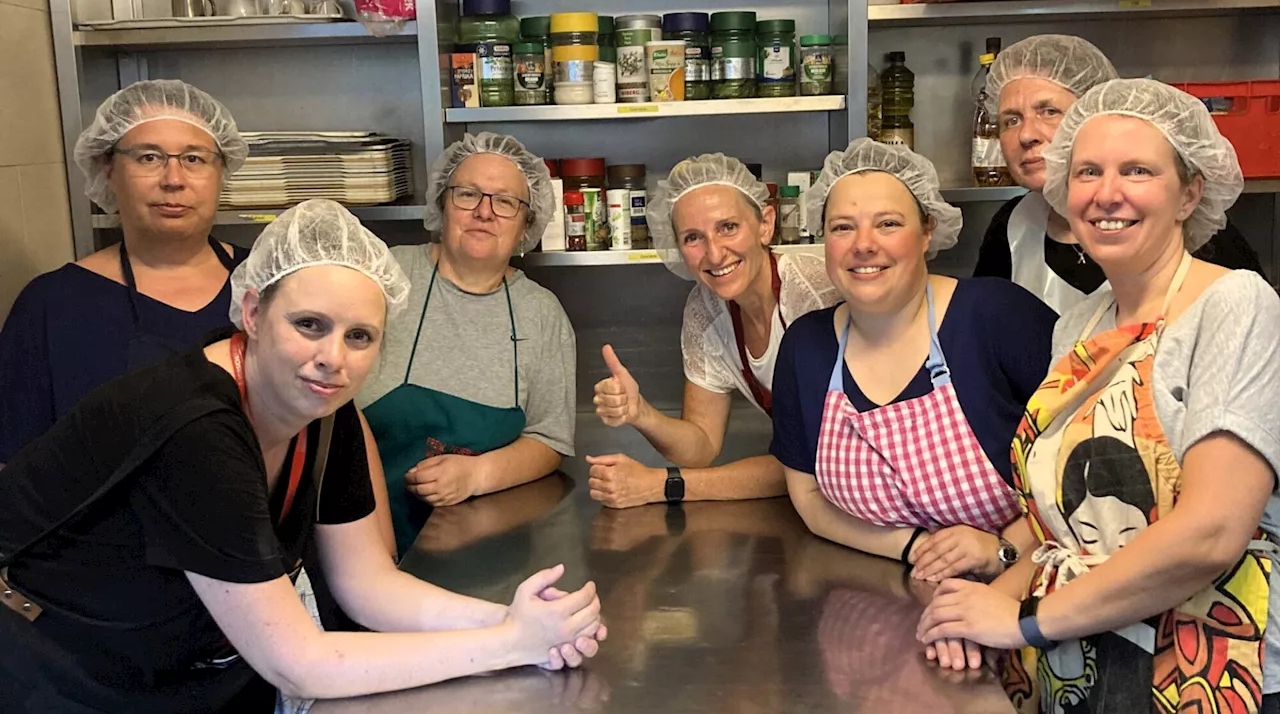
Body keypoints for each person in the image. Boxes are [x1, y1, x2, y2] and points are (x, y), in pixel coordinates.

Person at [0, 199, 606, 713]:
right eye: (310, 324)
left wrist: (517, 622)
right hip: (58, 663)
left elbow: (366, 584)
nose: (333, 358)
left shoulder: (323, 413)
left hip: (178, 660)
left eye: (359, 336)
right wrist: (510, 647)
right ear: (253, 313)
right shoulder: (195, 424)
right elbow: (300, 664)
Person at [916, 79, 1280, 712]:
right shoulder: (1078, 325)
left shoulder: (1234, 305)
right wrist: (970, 612)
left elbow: (1213, 532)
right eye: (1087, 171)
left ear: (1189, 191)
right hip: (1085, 653)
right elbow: (1059, 525)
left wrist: (1021, 622)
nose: (1106, 194)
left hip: (1213, 666)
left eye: (1136, 170)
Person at [771, 139, 1058, 585]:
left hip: (1029, 588)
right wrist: (917, 547)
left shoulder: (995, 316)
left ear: (927, 232)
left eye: (888, 224)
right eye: (842, 227)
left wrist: (1003, 548)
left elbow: (1086, 464)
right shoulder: (806, 347)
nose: (863, 245)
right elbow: (809, 499)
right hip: (876, 603)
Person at [0, 79, 252, 463]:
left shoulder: (272, 285)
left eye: (194, 158)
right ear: (108, 170)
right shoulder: (51, 305)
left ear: (223, 172)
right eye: (148, 157)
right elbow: (15, 471)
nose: (173, 179)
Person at [356, 132, 575, 554]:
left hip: (484, 547)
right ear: (441, 203)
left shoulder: (542, 314)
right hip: (356, 530)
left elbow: (550, 439)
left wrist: (476, 475)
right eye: (468, 194)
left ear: (527, 224)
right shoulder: (385, 276)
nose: (484, 212)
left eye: (505, 201)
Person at [586, 153, 840, 509]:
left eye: (728, 227)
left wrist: (663, 485)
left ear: (765, 224)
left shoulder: (815, 296)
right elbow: (702, 444)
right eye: (693, 237)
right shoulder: (705, 310)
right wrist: (641, 412)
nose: (715, 254)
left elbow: (817, 459)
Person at [972, 34, 1263, 314]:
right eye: (1010, 120)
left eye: (1048, 111)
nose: (1026, 135)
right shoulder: (1010, 228)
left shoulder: (1202, 236)